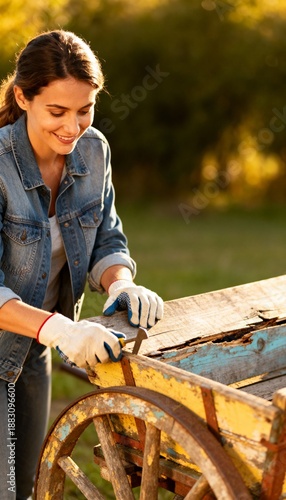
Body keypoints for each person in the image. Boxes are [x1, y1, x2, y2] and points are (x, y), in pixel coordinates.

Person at [0, 29, 164, 500]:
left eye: (84, 109)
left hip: (32, 352)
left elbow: (106, 237)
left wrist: (120, 284)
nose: (73, 127)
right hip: (34, 336)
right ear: (22, 97)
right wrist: (62, 331)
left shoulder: (93, 151)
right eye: (57, 112)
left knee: (25, 486)